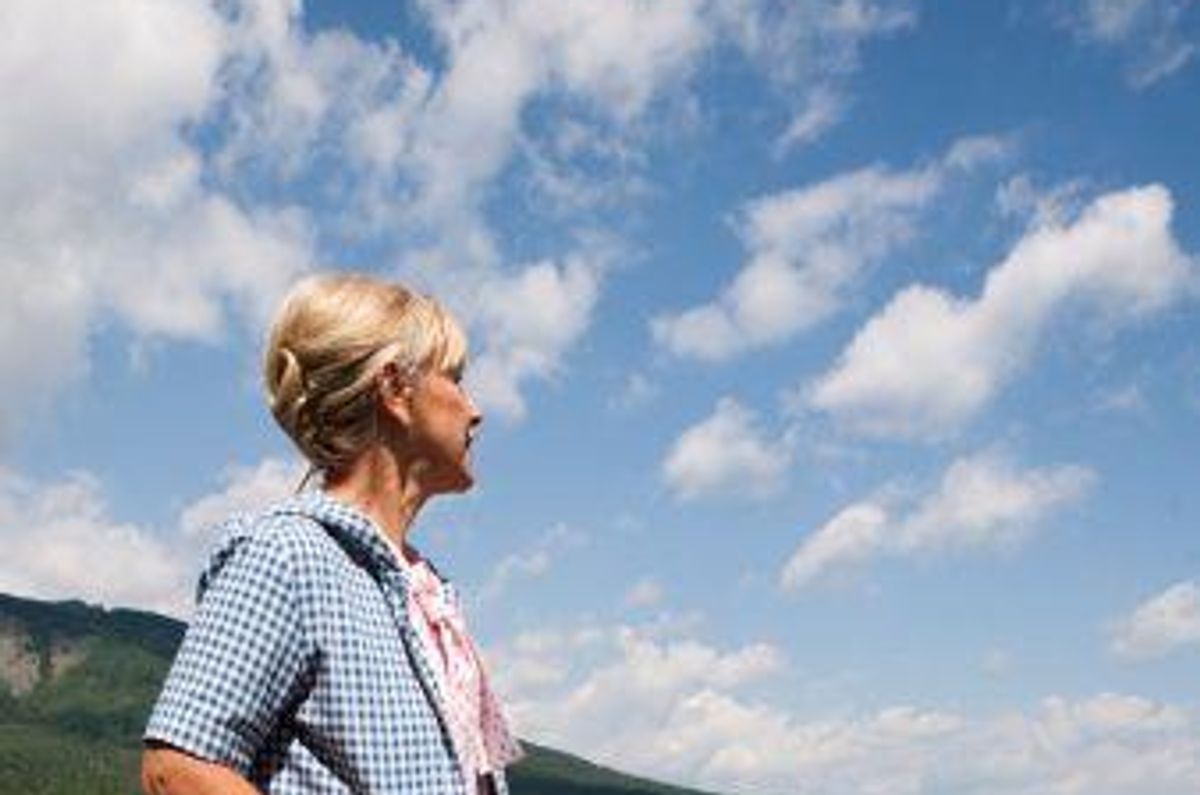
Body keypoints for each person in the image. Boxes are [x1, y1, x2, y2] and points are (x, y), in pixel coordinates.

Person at [141, 273, 523, 794]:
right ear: (394, 389)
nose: (475, 410)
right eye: (454, 377)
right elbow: (179, 770)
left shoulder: (424, 589)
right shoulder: (288, 555)